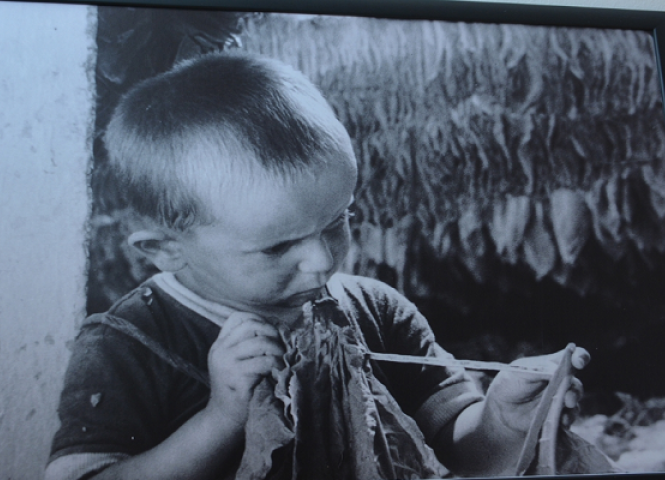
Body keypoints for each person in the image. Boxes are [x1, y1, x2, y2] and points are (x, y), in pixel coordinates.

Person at [45, 52, 590, 480]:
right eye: (278, 248)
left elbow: (467, 450)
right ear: (167, 250)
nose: (322, 260)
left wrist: (503, 420)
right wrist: (222, 417)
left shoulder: (375, 309)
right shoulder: (125, 345)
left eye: (337, 221)